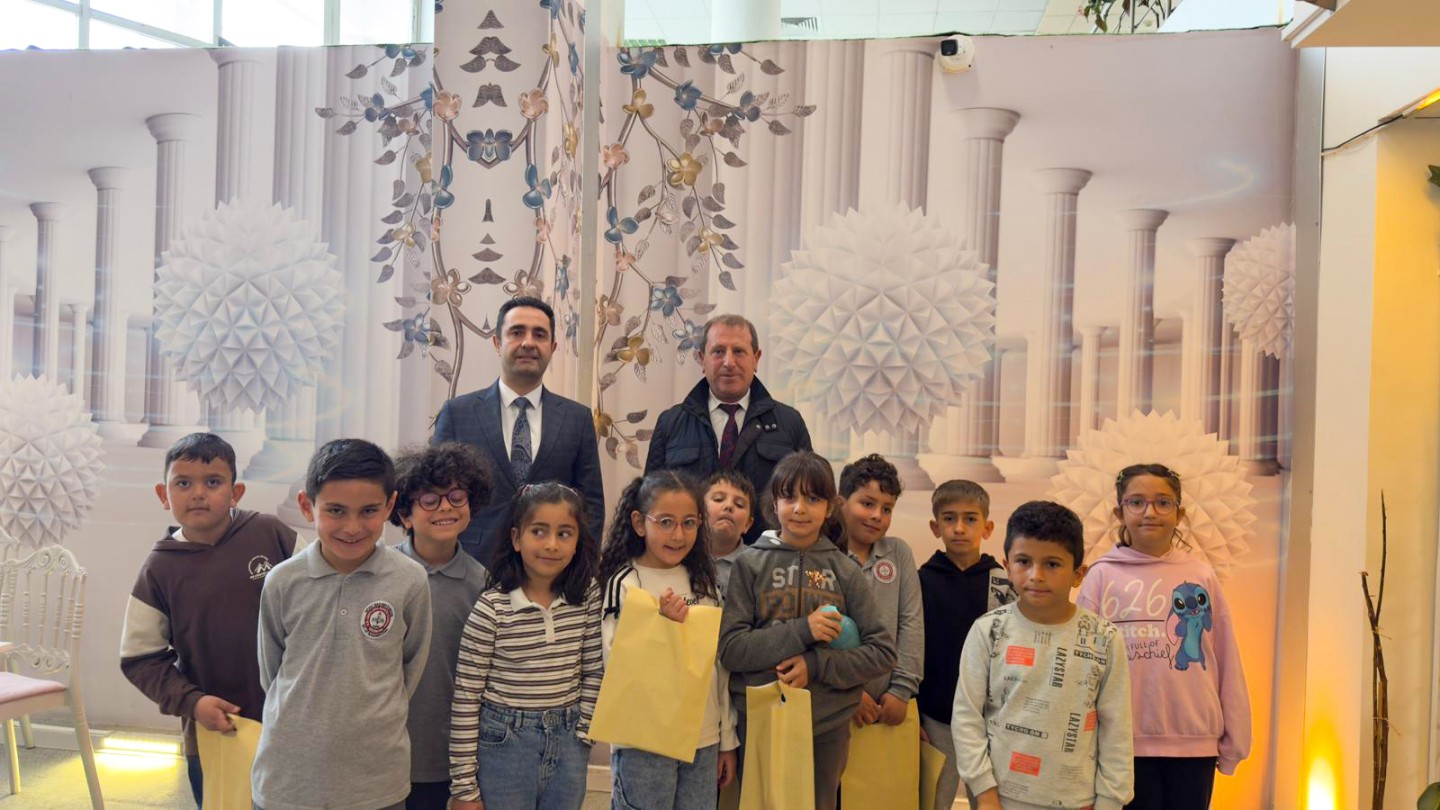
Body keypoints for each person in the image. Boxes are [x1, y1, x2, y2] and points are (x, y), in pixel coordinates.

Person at [119, 432, 298, 808]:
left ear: (236, 493)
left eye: (213, 482)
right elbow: (140, 657)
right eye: (183, 483)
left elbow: (319, 589)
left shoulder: (271, 534)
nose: (198, 493)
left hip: (294, 719)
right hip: (219, 729)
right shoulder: (158, 570)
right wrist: (193, 703)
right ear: (163, 494)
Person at [252, 439, 433, 810]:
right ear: (307, 506)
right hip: (288, 782)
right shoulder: (282, 581)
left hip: (376, 784)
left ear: (390, 506)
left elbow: (409, 670)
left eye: (368, 511)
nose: (352, 527)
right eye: (336, 510)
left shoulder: (410, 580)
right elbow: (273, 674)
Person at [717, 451, 896, 810]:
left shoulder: (845, 570)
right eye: (789, 497)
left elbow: (882, 653)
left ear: (830, 508)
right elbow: (732, 649)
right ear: (774, 504)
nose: (800, 508)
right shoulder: (749, 565)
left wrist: (814, 665)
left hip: (827, 724)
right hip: (761, 719)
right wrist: (804, 630)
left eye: (813, 498)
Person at [1075, 464, 1251, 810]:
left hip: (1194, 744)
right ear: (1119, 513)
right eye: (1136, 502)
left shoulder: (1201, 575)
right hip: (1121, 744)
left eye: (1163, 502)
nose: (1150, 512)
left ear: (1179, 513)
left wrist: (1236, 741)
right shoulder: (1100, 576)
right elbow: (1083, 668)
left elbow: (1226, 659)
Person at [952, 501, 1133, 810]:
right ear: (1007, 566)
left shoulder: (1104, 638)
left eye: (1052, 564)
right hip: (1000, 800)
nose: (1036, 575)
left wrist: (1109, 801)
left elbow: (1117, 729)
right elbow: (967, 717)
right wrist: (984, 792)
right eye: (1024, 561)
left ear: (1078, 574)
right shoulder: (988, 631)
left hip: (1079, 801)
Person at [449, 482, 603, 810]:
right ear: (517, 539)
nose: (551, 544)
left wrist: (584, 731)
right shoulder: (491, 608)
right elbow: (466, 698)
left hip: (569, 743)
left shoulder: (587, 595)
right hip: (504, 747)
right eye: (539, 531)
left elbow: (593, 669)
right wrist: (464, 787)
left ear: (578, 542)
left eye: (564, 533)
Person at [599, 471, 739, 809]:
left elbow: (718, 667)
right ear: (639, 523)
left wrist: (726, 739)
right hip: (643, 740)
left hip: (703, 737)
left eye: (689, 523)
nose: (678, 535)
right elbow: (613, 664)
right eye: (665, 522)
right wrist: (661, 627)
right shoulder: (625, 582)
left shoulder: (704, 584)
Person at [433, 296, 604, 564]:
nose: (528, 343)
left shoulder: (577, 419)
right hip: (471, 564)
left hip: (551, 568)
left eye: (539, 335)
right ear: (497, 343)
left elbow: (590, 504)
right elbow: (435, 494)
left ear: (552, 347)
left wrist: (582, 567)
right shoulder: (458, 413)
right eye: (516, 332)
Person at [644, 314, 811, 544]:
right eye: (718, 351)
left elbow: (809, 497)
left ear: (756, 358)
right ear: (702, 359)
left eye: (739, 351)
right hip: (685, 555)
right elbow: (650, 502)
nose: (729, 362)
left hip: (768, 558)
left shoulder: (789, 423)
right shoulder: (671, 423)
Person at [389, 443, 493, 810]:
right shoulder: (382, 575)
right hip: (385, 751)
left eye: (456, 496)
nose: (446, 506)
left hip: (450, 756)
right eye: (430, 499)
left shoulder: (483, 585)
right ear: (405, 514)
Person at [916, 479, 1015, 810]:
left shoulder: (1003, 583)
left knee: (990, 800)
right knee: (934, 799)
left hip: (990, 717)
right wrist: (915, 711)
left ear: (987, 528)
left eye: (970, 519)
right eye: (949, 518)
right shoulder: (920, 581)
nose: (959, 528)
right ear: (935, 527)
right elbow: (912, 648)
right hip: (935, 715)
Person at [833, 454, 923, 730]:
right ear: (840, 503)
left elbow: (911, 622)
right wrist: (849, 691)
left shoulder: (899, 553)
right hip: (834, 702)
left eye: (887, 509)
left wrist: (901, 689)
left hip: (889, 706)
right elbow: (818, 631)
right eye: (867, 504)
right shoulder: (822, 556)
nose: (877, 516)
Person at [701, 469, 756, 599]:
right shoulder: (681, 557)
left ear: (747, 524)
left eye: (739, 504)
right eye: (718, 499)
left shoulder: (756, 566)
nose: (729, 506)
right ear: (699, 512)